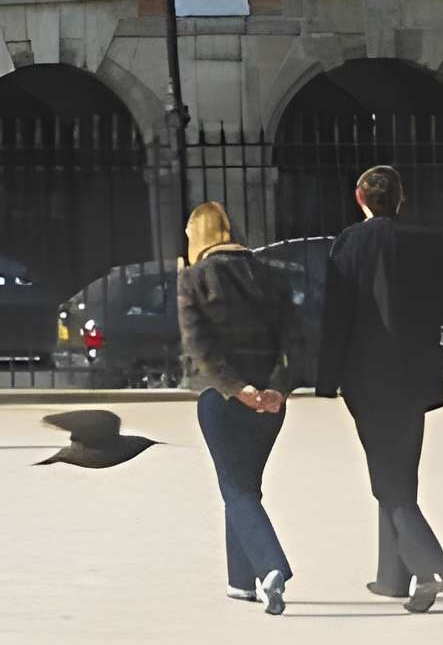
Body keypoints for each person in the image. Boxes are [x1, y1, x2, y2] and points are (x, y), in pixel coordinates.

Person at [317, 163, 443, 612]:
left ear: (360, 199)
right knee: (401, 473)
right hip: (416, 376)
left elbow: (337, 315)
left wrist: (326, 378)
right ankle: (392, 577)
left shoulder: (348, 244)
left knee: (385, 481)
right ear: (400, 198)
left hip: (367, 377)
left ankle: (432, 566)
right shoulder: (428, 243)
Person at [178, 200, 298, 615]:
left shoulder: (194, 279)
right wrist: (276, 390)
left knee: (236, 488)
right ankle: (240, 581)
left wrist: (238, 388)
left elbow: (199, 347)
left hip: (222, 398)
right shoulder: (272, 275)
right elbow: (294, 341)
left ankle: (269, 568)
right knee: (247, 485)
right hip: (270, 402)